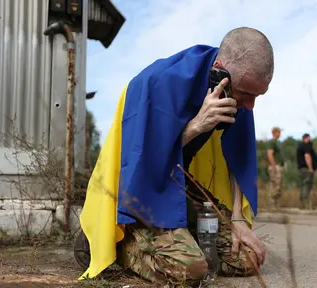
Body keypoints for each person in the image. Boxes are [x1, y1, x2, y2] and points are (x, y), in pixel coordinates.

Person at [76, 27, 274, 285]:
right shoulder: (157, 82)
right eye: (247, 94)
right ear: (220, 70)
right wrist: (196, 126)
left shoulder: (235, 92)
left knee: (247, 258)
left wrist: (237, 219)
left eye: (257, 96)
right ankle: (112, 243)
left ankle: (180, 235)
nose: (250, 105)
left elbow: (238, 157)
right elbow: (141, 161)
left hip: (177, 179)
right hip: (136, 187)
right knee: (190, 270)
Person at [296, 133, 317, 209]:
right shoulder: (306, 146)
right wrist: (310, 168)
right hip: (306, 168)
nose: (310, 140)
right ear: (306, 138)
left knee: (304, 185)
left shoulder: (300, 146)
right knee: (307, 185)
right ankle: (306, 204)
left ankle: (303, 204)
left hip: (302, 169)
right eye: (309, 138)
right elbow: (307, 156)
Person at [266, 127, 284, 209]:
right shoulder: (272, 142)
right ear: (275, 132)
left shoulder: (277, 142)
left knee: (278, 186)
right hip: (275, 166)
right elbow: (270, 154)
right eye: (279, 132)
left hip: (279, 166)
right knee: (275, 186)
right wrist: (274, 166)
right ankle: (271, 204)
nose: (280, 134)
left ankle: (275, 205)